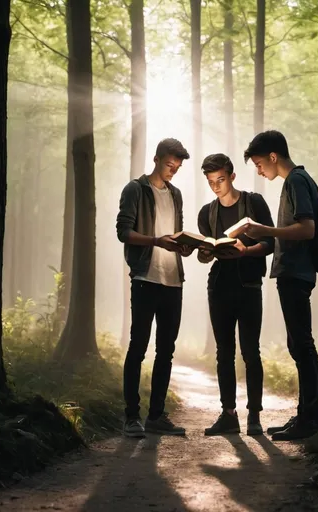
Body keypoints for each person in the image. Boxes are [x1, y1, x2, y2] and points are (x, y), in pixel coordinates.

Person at [237, 130, 318, 441]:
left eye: (260, 163)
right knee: (298, 344)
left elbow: (307, 229)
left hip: (297, 272)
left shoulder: (297, 181)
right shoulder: (297, 182)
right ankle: (306, 414)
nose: (259, 170)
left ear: (273, 157)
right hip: (293, 272)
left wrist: (264, 229)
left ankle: (313, 419)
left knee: (302, 345)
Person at [116, 138, 193, 438]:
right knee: (138, 347)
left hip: (174, 281)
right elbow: (124, 232)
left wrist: (188, 246)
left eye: (177, 167)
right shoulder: (135, 189)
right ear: (157, 159)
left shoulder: (176, 194)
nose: (173, 171)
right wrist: (156, 241)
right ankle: (131, 416)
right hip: (146, 278)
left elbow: (178, 236)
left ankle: (156, 416)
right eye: (170, 165)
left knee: (166, 351)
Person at [197, 153, 275, 436]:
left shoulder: (253, 202)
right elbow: (207, 255)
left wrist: (246, 250)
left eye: (220, 179)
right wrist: (203, 253)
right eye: (210, 182)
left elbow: (269, 243)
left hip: (249, 285)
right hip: (219, 287)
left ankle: (254, 416)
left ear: (231, 176)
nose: (216, 186)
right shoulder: (207, 213)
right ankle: (228, 414)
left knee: (251, 351)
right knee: (223, 353)